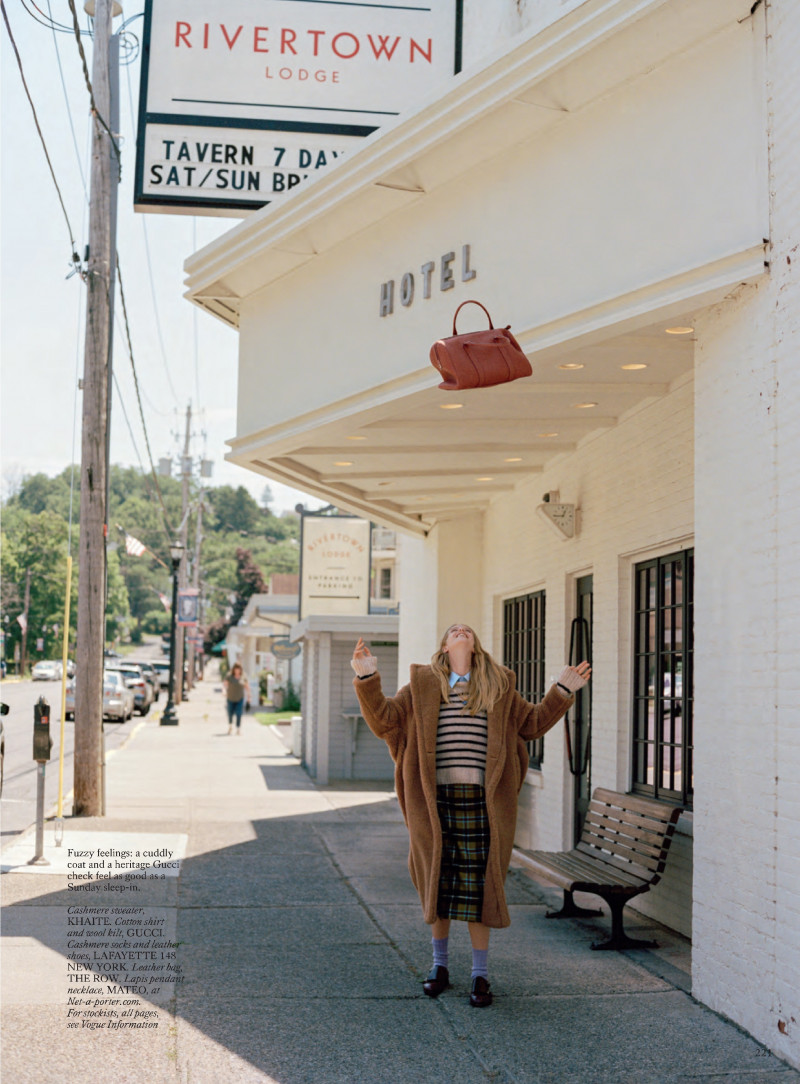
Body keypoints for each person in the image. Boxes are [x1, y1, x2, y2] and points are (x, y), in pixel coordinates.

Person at [351, 624, 591, 1008]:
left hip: (483, 804)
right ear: (445, 645)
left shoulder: (498, 687)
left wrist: (562, 691)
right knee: (438, 884)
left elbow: (532, 723)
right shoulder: (420, 688)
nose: (461, 630)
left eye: (467, 629)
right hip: (434, 803)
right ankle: (439, 966)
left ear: (474, 645)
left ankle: (480, 975)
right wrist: (366, 677)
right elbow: (384, 720)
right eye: (453, 630)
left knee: (480, 889)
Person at [223, 662, 249, 735]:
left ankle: (238, 728)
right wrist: (224, 691)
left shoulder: (243, 677)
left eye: (239, 669)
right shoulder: (229, 676)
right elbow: (225, 685)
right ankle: (230, 726)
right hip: (230, 698)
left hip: (240, 698)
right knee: (230, 713)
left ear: (241, 670)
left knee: (239, 713)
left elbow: (247, 687)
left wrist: (249, 697)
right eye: (236, 669)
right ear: (234, 669)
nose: (237, 671)